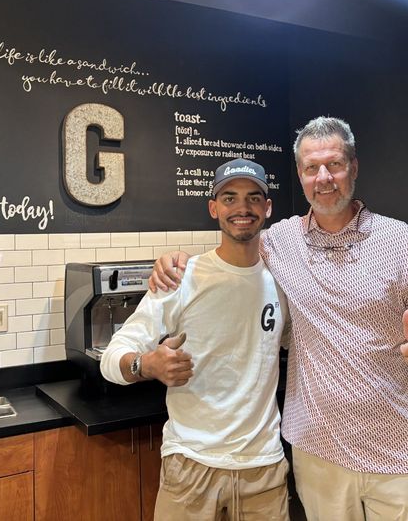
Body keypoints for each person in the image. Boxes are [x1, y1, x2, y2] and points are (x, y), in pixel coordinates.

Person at [150, 116, 408, 521]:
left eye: (335, 165)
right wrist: (174, 260)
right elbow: (231, 249)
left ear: (354, 168)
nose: (324, 178)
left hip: (398, 445)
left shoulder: (400, 239)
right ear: (301, 174)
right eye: (312, 168)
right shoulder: (279, 241)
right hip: (318, 449)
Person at [100, 158, 291, 521]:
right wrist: (146, 365)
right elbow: (114, 358)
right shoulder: (181, 278)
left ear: (267, 208)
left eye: (253, 198)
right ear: (214, 208)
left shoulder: (282, 281)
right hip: (190, 465)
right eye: (230, 198)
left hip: (263, 469)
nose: (242, 208)